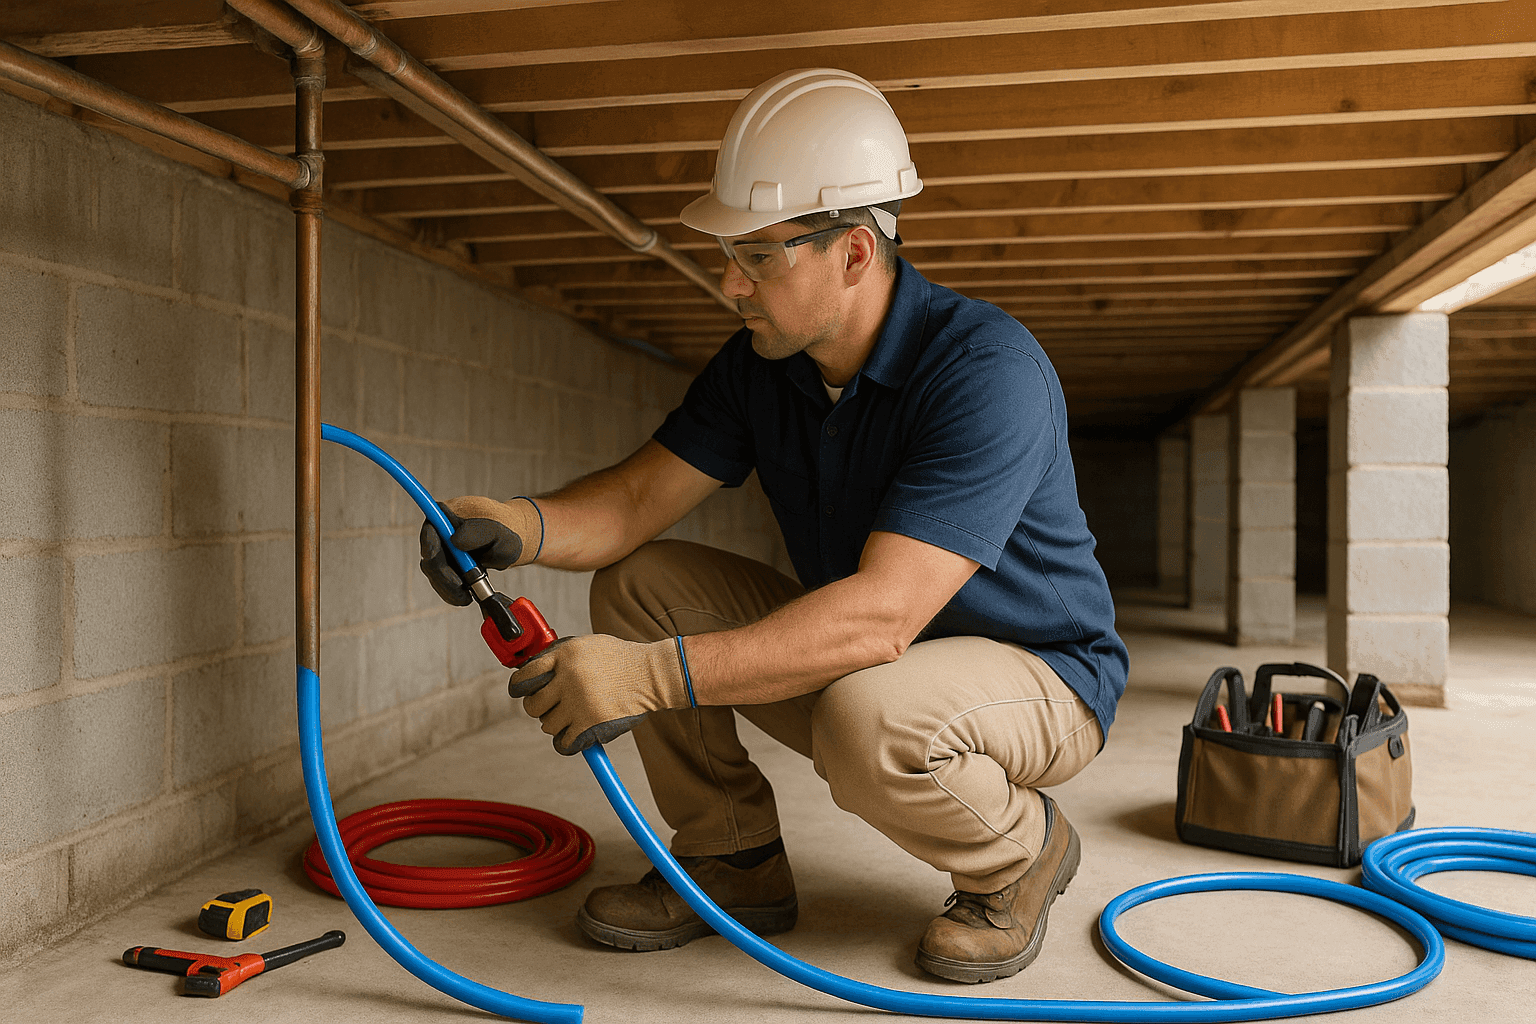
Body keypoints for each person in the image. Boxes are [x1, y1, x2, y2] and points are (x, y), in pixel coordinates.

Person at [418, 68, 1128, 984]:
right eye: (732, 255)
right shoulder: (764, 363)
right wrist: (521, 524)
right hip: (881, 654)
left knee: (866, 712)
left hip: (1041, 674)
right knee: (643, 585)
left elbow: (879, 620)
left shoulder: (985, 369)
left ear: (856, 254)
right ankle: (735, 859)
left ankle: (1016, 854)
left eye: (758, 256)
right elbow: (635, 504)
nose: (730, 283)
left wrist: (650, 676)